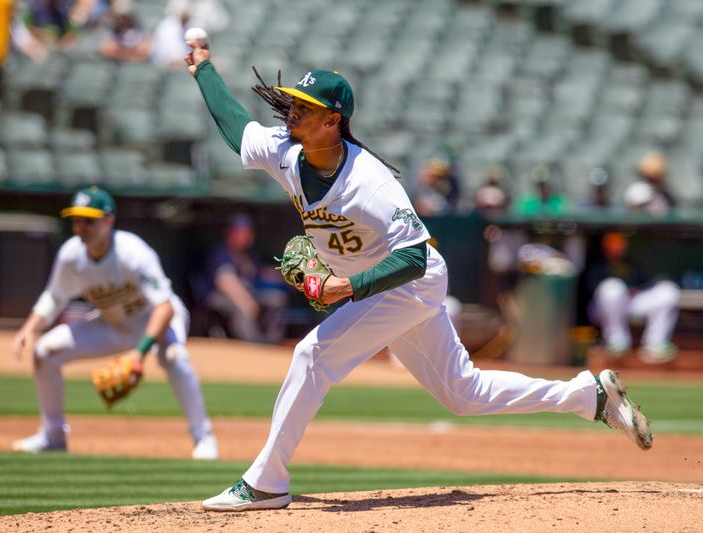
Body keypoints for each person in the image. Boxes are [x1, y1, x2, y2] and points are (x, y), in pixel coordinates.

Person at [183, 41, 653, 512]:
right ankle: (586, 396)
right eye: (294, 102)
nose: (292, 111)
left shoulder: (369, 183)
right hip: (383, 286)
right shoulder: (285, 149)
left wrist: (343, 286)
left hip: (410, 283)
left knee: (312, 355)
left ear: (333, 120)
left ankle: (267, 480)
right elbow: (235, 129)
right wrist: (204, 67)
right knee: (463, 393)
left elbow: (415, 258)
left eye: (305, 107)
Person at [11, 186, 219, 460]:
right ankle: (53, 436)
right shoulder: (72, 255)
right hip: (113, 325)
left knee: (174, 357)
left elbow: (165, 306)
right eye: (76, 220)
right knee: (45, 351)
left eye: (89, 220)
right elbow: (54, 296)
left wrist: (140, 352)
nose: (80, 227)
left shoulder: (132, 253)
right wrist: (29, 328)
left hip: (156, 322)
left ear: (109, 220)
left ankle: (203, 437)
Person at [583, 231, 679, 363]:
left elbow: (642, 282)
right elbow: (590, 288)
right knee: (612, 288)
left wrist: (634, 288)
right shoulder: (596, 263)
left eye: (619, 244)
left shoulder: (629, 262)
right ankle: (616, 342)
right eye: (613, 244)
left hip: (628, 303)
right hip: (600, 308)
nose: (617, 248)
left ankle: (655, 345)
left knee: (667, 291)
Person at [203, 213, 288, 344]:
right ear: (231, 233)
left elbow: (262, 273)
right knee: (240, 306)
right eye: (241, 232)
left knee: (276, 298)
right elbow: (225, 282)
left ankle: (271, 342)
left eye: (247, 232)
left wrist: (289, 276)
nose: (245, 236)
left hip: (249, 293)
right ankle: (250, 344)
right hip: (220, 297)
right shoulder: (222, 253)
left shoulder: (248, 255)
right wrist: (247, 301)